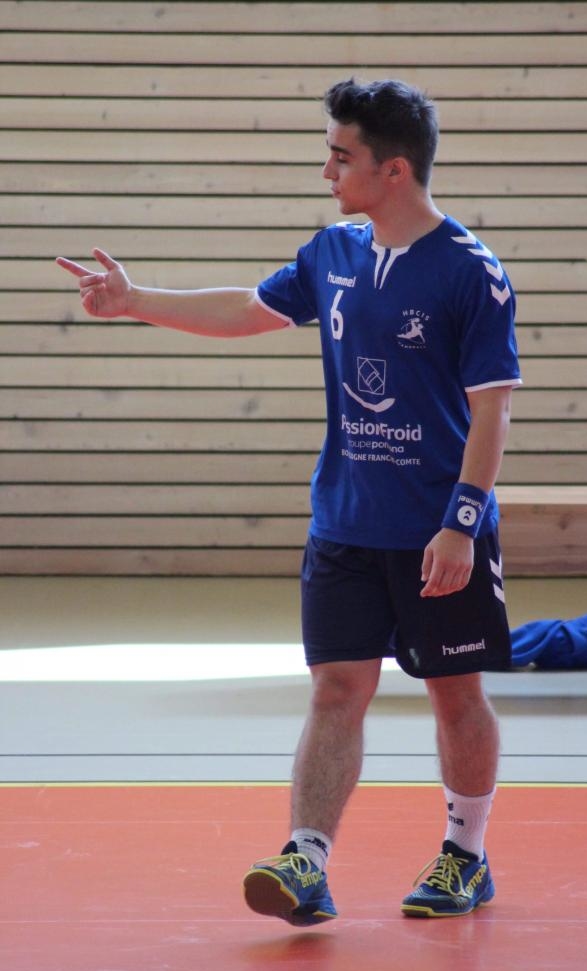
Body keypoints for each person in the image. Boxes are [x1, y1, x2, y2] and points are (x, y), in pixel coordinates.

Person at [57, 77, 521, 924]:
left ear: (393, 169)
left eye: (341, 157)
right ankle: (307, 860)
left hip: (437, 531)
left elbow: (492, 408)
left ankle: (466, 855)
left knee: (455, 693)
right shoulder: (332, 253)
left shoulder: (471, 273)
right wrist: (134, 302)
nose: (326, 171)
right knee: (336, 690)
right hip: (344, 521)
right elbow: (247, 308)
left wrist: (461, 524)